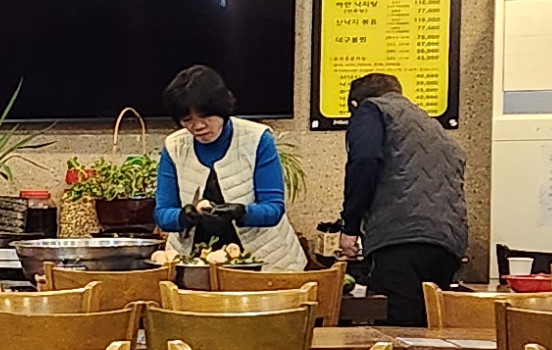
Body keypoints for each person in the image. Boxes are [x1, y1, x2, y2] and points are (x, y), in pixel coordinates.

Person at [333, 69, 467, 321]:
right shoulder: (431, 125)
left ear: (354, 104)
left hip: (400, 241)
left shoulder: (371, 109)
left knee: (397, 330)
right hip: (448, 243)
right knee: (426, 328)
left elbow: (365, 160)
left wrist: (350, 227)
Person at [155, 64, 305, 269]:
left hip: (264, 261)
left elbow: (273, 208)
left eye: (206, 116)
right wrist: (182, 217)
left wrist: (241, 212)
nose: (198, 126)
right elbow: (163, 212)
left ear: (222, 109)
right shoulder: (175, 147)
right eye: (187, 120)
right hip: (195, 262)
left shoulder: (257, 139)